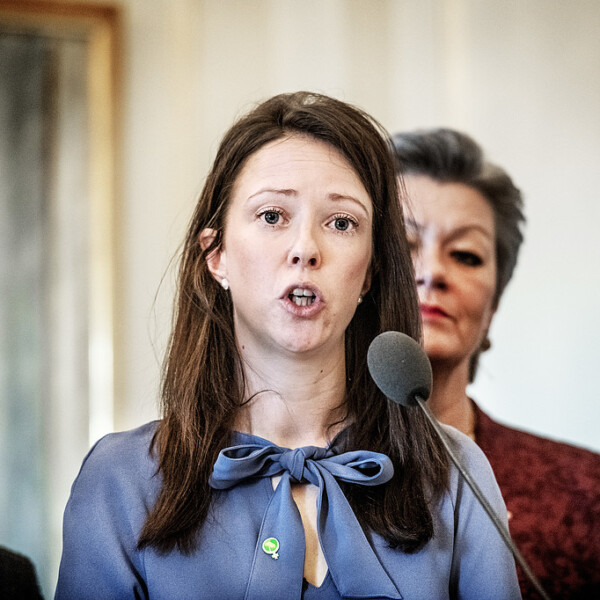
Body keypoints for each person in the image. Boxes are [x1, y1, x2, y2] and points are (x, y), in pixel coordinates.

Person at [55, 93, 520, 599]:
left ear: (370, 272)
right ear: (216, 255)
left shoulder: (456, 474)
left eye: (341, 223)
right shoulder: (120, 479)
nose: (305, 249)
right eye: (273, 215)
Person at [392, 127, 600, 599]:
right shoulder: (288, 475)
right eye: (404, 245)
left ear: (496, 301)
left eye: (465, 255)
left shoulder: (585, 494)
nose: (433, 272)